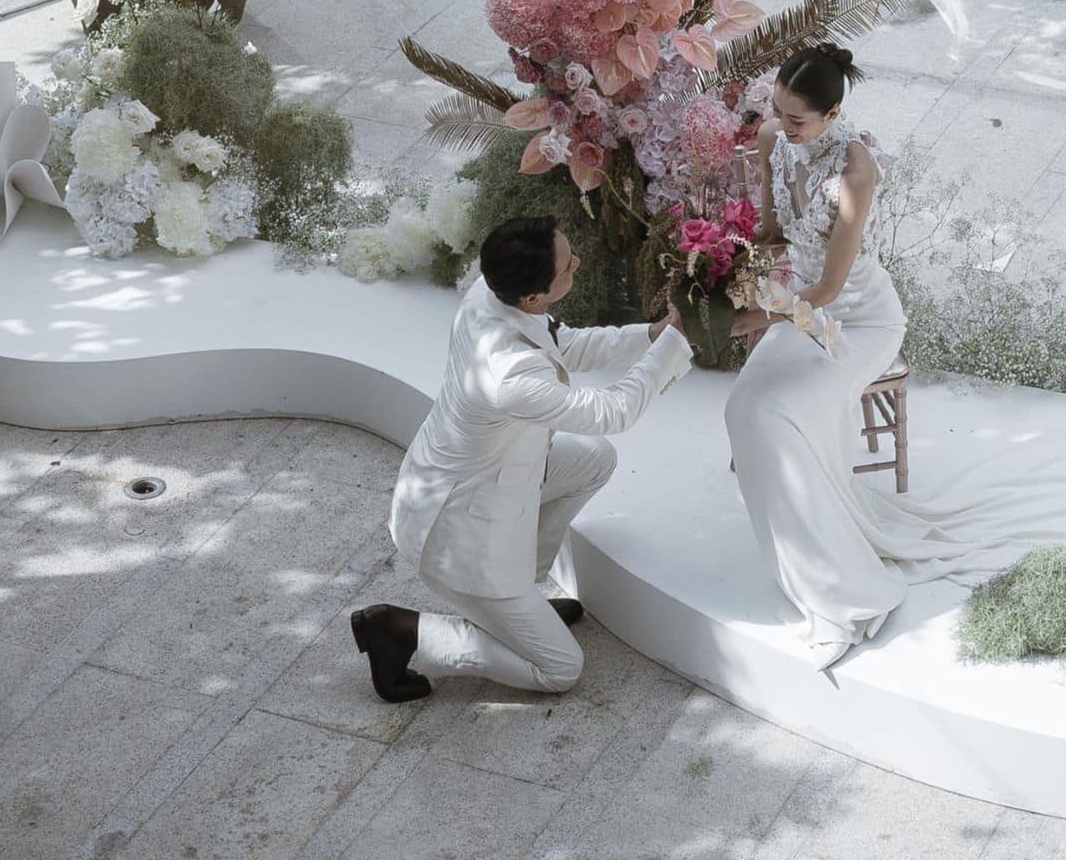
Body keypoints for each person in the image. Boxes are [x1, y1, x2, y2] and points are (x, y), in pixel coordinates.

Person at [725, 43, 999, 670]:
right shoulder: (772, 140)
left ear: (833, 112)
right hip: (794, 300)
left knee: (778, 419)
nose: (783, 128)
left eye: (797, 120)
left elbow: (827, 290)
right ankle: (794, 544)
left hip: (858, 318)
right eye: (778, 113)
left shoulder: (855, 172)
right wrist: (724, 266)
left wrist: (758, 316)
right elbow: (771, 234)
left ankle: (842, 594)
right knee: (744, 409)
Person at [354, 215, 690, 700]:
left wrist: (654, 335)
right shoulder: (509, 373)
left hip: (478, 477)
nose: (578, 262)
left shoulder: (489, 292)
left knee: (594, 460)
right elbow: (612, 409)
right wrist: (679, 344)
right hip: (459, 535)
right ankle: (404, 632)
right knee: (560, 669)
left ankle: (524, 596)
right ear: (532, 297)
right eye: (568, 265)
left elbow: (563, 344)